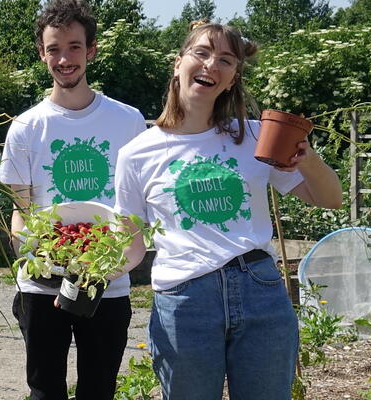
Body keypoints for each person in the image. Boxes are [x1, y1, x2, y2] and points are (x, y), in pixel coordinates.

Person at [113, 21, 343, 399]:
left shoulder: (256, 135)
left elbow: (330, 199)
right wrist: (87, 273)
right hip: (185, 303)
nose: (210, 65)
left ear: (233, 77)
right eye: (201, 53)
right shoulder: (137, 153)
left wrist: (308, 159)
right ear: (178, 63)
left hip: (259, 290)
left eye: (225, 60)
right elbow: (131, 243)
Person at [0, 1, 148, 399]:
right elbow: (21, 210)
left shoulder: (127, 120)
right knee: (45, 390)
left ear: (91, 50)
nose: (64, 59)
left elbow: (136, 209)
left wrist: (120, 262)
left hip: (107, 281)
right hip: (42, 284)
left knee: (99, 389)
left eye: (74, 47)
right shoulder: (26, 127)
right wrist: (40, 253)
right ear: (41, 53)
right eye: (54, 48)